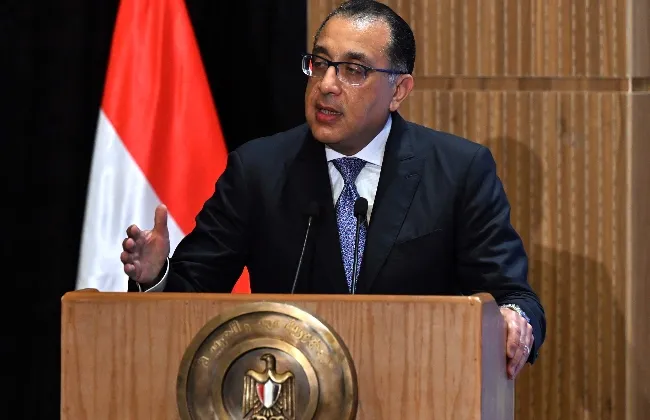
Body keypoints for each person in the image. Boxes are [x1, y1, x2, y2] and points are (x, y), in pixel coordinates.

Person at [120, 0, 545, 380]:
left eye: (353, 70)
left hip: (417, 389)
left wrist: (512, 318)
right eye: (320, 63)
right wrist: (155, 276)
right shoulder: (258, 170)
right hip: (290, 391)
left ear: (398, 91)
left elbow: (513, 295)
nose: (327, 84)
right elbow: (191, 297)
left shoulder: (458, 170)